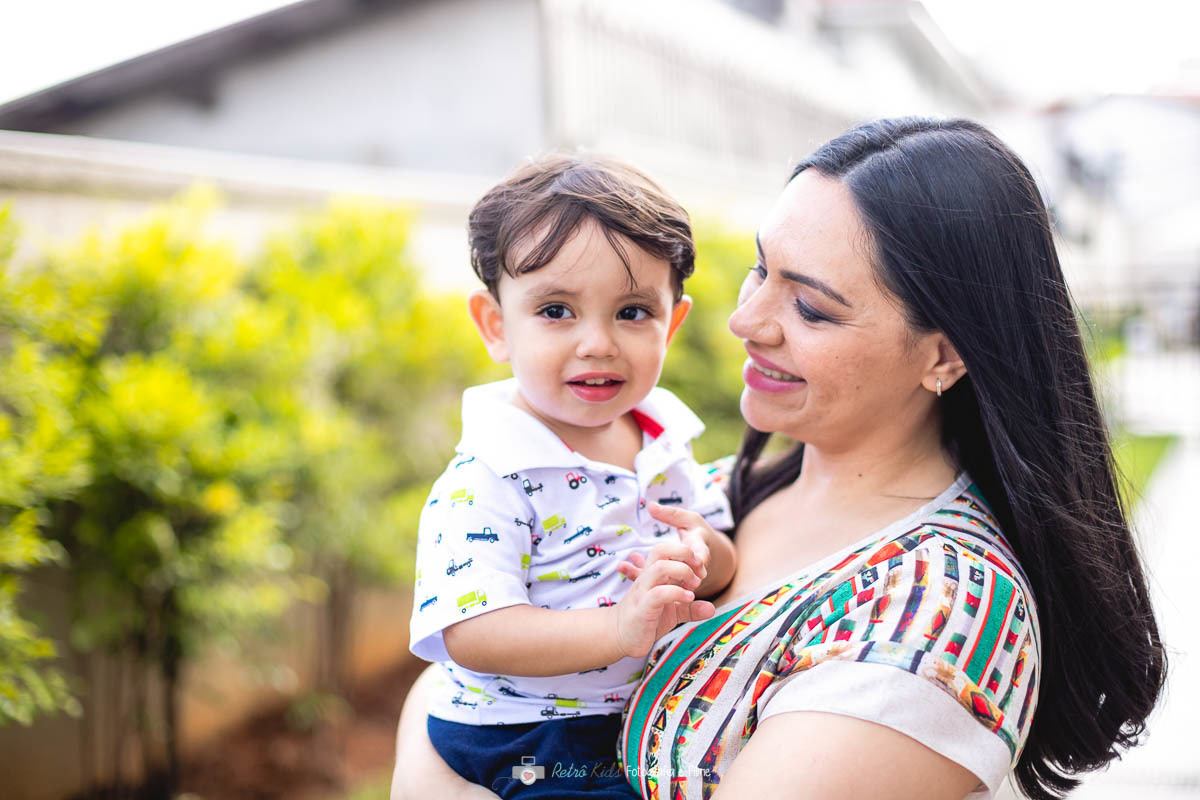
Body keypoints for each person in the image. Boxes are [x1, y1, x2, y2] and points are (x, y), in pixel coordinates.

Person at [393, 118, 1165, 800]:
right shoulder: (734, 488)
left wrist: (427, 777)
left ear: (945, 354)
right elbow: (464, 658)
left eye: (812, 306)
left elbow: (439, 695)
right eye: (762, 269)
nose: (744, 320)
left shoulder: (934, 613)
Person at [408, 154, 737, 799]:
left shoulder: (664, 441)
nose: (598, 343)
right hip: (529, 730)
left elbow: (720, 556)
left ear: (672, 323)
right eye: (557, 311)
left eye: (633, 312)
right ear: (496, 326)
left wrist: (703, 550)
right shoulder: (490, 475)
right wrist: (619, 630)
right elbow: (474, 631)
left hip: (635, 714)